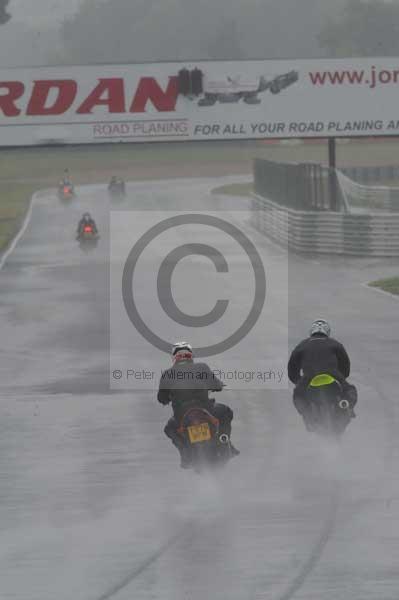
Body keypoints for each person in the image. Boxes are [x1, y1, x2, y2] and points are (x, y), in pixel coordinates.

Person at [158, 341, 239, 468]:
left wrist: (167, 398)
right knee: (225, 412)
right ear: (191, 355)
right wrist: (218, 386)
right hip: (206, 410)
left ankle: (185, 453)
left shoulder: (167, 374)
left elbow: (161, 398)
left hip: (182, 417)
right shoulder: (202, 367)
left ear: (174, 357)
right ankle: (224, 439)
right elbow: (216, 384)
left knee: (169, 429)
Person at [288, 319, 357, 430]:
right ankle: (346, 405)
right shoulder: (335, 344)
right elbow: (345, 367)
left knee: (298, 395)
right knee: (350, 390)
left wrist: (298, 382)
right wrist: (341, 379)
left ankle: (307, 413)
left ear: (311, 332)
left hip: (309, 377)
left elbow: (292, 370)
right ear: (327, 332)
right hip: (333, 375)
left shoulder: (301, 345)